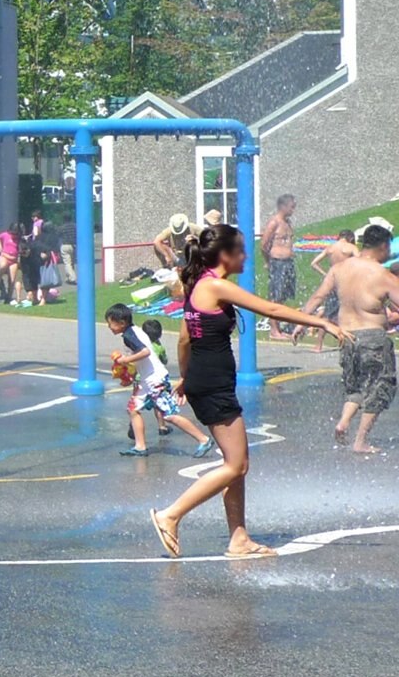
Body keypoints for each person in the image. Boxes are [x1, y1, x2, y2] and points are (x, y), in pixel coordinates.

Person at [149, 224, 348, 560]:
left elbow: (185, 338)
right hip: (212, 385)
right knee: (236, 465)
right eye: (240, 250)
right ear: (225, 255)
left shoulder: (197, 283)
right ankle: (171, 515)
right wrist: (323, 323)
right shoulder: (214, 285)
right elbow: (269, 309)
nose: (245, 256)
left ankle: (238, 538)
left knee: (236, 463)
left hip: (206, 381)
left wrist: (186, 377)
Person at [302, 224, 399, 453]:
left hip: (346, 336)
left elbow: (318, 297)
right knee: (381, 386)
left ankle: (343, 422)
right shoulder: (383, 275)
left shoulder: (339, 269)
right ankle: (361, 441)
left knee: (354, 385)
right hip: (373, 337)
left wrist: (303, 321)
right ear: (384, 246)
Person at [105, 303, 215, 459]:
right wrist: (129, 376)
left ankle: (203, 439)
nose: (109, 326)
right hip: (147, 380)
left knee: (169, 415)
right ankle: (140, 446)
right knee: (133, 409)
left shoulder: (130, 335)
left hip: (155, 380)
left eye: (110, 322)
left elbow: (145, 352)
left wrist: (125, 360)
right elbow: (142, 359)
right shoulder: (134, 332)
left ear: (121, 322)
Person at [294, 229, 359, 352]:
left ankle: (318, 346)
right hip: (346, 283)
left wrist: (326, 274)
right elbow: (361, 262)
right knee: (349, 313)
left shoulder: (331, 248)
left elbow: (313, 263)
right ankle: (350, 342)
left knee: (327, 315)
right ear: (350, 238)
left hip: (332, 283)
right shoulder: (350, 247)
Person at [259, 194, 298, 338]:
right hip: (277, 262)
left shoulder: (287, 222)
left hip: (287, 263)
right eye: (292, 207)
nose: (293, 210)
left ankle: (279, 328)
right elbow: (263, 245)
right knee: (275, 296)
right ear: (283, 206)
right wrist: (268, 262)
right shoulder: (274, 223)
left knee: (283, 296)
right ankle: (274, 331)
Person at [0, 222, 21, 303]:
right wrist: (0, 247)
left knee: (12, 280)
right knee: (3, 265)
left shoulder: (19, 237)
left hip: (14, 259)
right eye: (12, 233)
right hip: (4, 255)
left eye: (15, 233)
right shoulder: (5, 234)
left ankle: (8, 297)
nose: (14, 235)